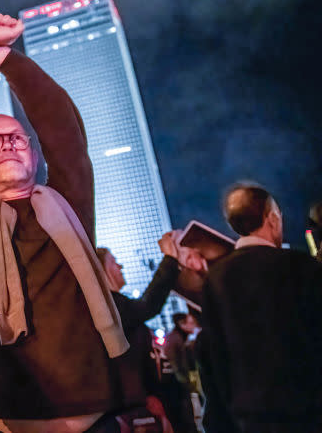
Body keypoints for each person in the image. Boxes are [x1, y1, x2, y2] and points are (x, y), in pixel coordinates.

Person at [0, 14, 144, 432]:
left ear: (35, 157)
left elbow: (62, 126)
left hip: (90, 418)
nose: (6, 143)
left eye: (17, 138)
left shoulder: (68, 204)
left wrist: (1, 53)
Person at [198, 183, 322, 432]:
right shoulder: (300, 266)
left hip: (249, 416)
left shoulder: (216, 278)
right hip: (307, 410)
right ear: (272, 219)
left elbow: (215, 355)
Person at [98, 234, 189, 432]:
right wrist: (169, 260)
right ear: (100, 271)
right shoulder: (110, 306)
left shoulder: (118, 305)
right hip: (135, 413)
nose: (121, 266)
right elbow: (148, 305)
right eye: (114, 262)